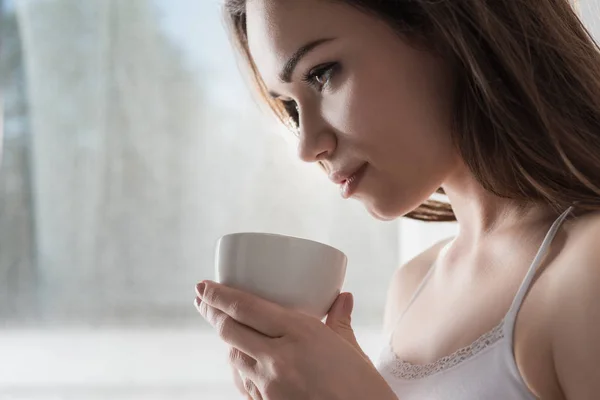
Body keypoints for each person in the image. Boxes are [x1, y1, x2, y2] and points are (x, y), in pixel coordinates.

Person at [193, 0, 600, 398]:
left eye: (321, 75)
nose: (306, 146)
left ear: (446, 24)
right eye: (290, 107)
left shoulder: (588, 266)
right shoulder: (412, 287)